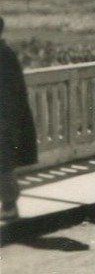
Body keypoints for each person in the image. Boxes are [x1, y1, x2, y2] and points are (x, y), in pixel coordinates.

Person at [0, 16, 38, 223]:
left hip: (3, 120)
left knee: (3, 165)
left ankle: (9, 205)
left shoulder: (4, 55)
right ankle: (8, 204)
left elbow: (11, 93)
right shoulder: (6, 54)